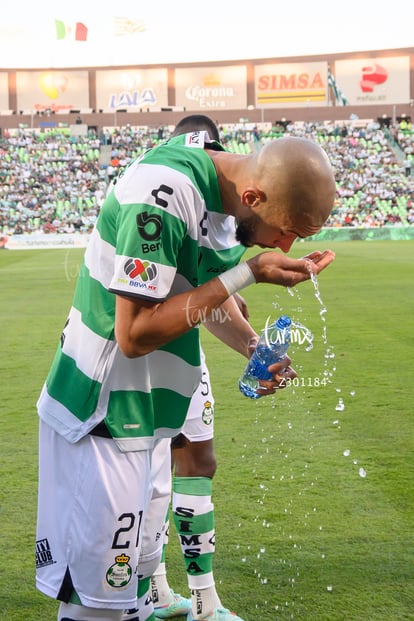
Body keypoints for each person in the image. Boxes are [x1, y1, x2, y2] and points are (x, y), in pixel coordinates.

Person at [35, 127, 337, 621]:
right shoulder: (163, 191)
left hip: (154, 419)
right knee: (99, 609)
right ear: (253, 195)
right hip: (105, 417)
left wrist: (254, 350)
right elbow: (133, 334)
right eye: (287, 231)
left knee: (131, 596)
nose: (284, 245)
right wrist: (249, 273)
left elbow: (195, 294)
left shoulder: (226, 203)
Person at [148, 115, 255, 621]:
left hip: (178, 348)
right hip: (139, 353)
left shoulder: (188, 190)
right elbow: (204, 296)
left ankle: (188, 600)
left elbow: (209, 293)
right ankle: (173, 594)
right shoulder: (171, 189)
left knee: (187, 463)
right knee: (157, 472)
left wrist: (251, 343)